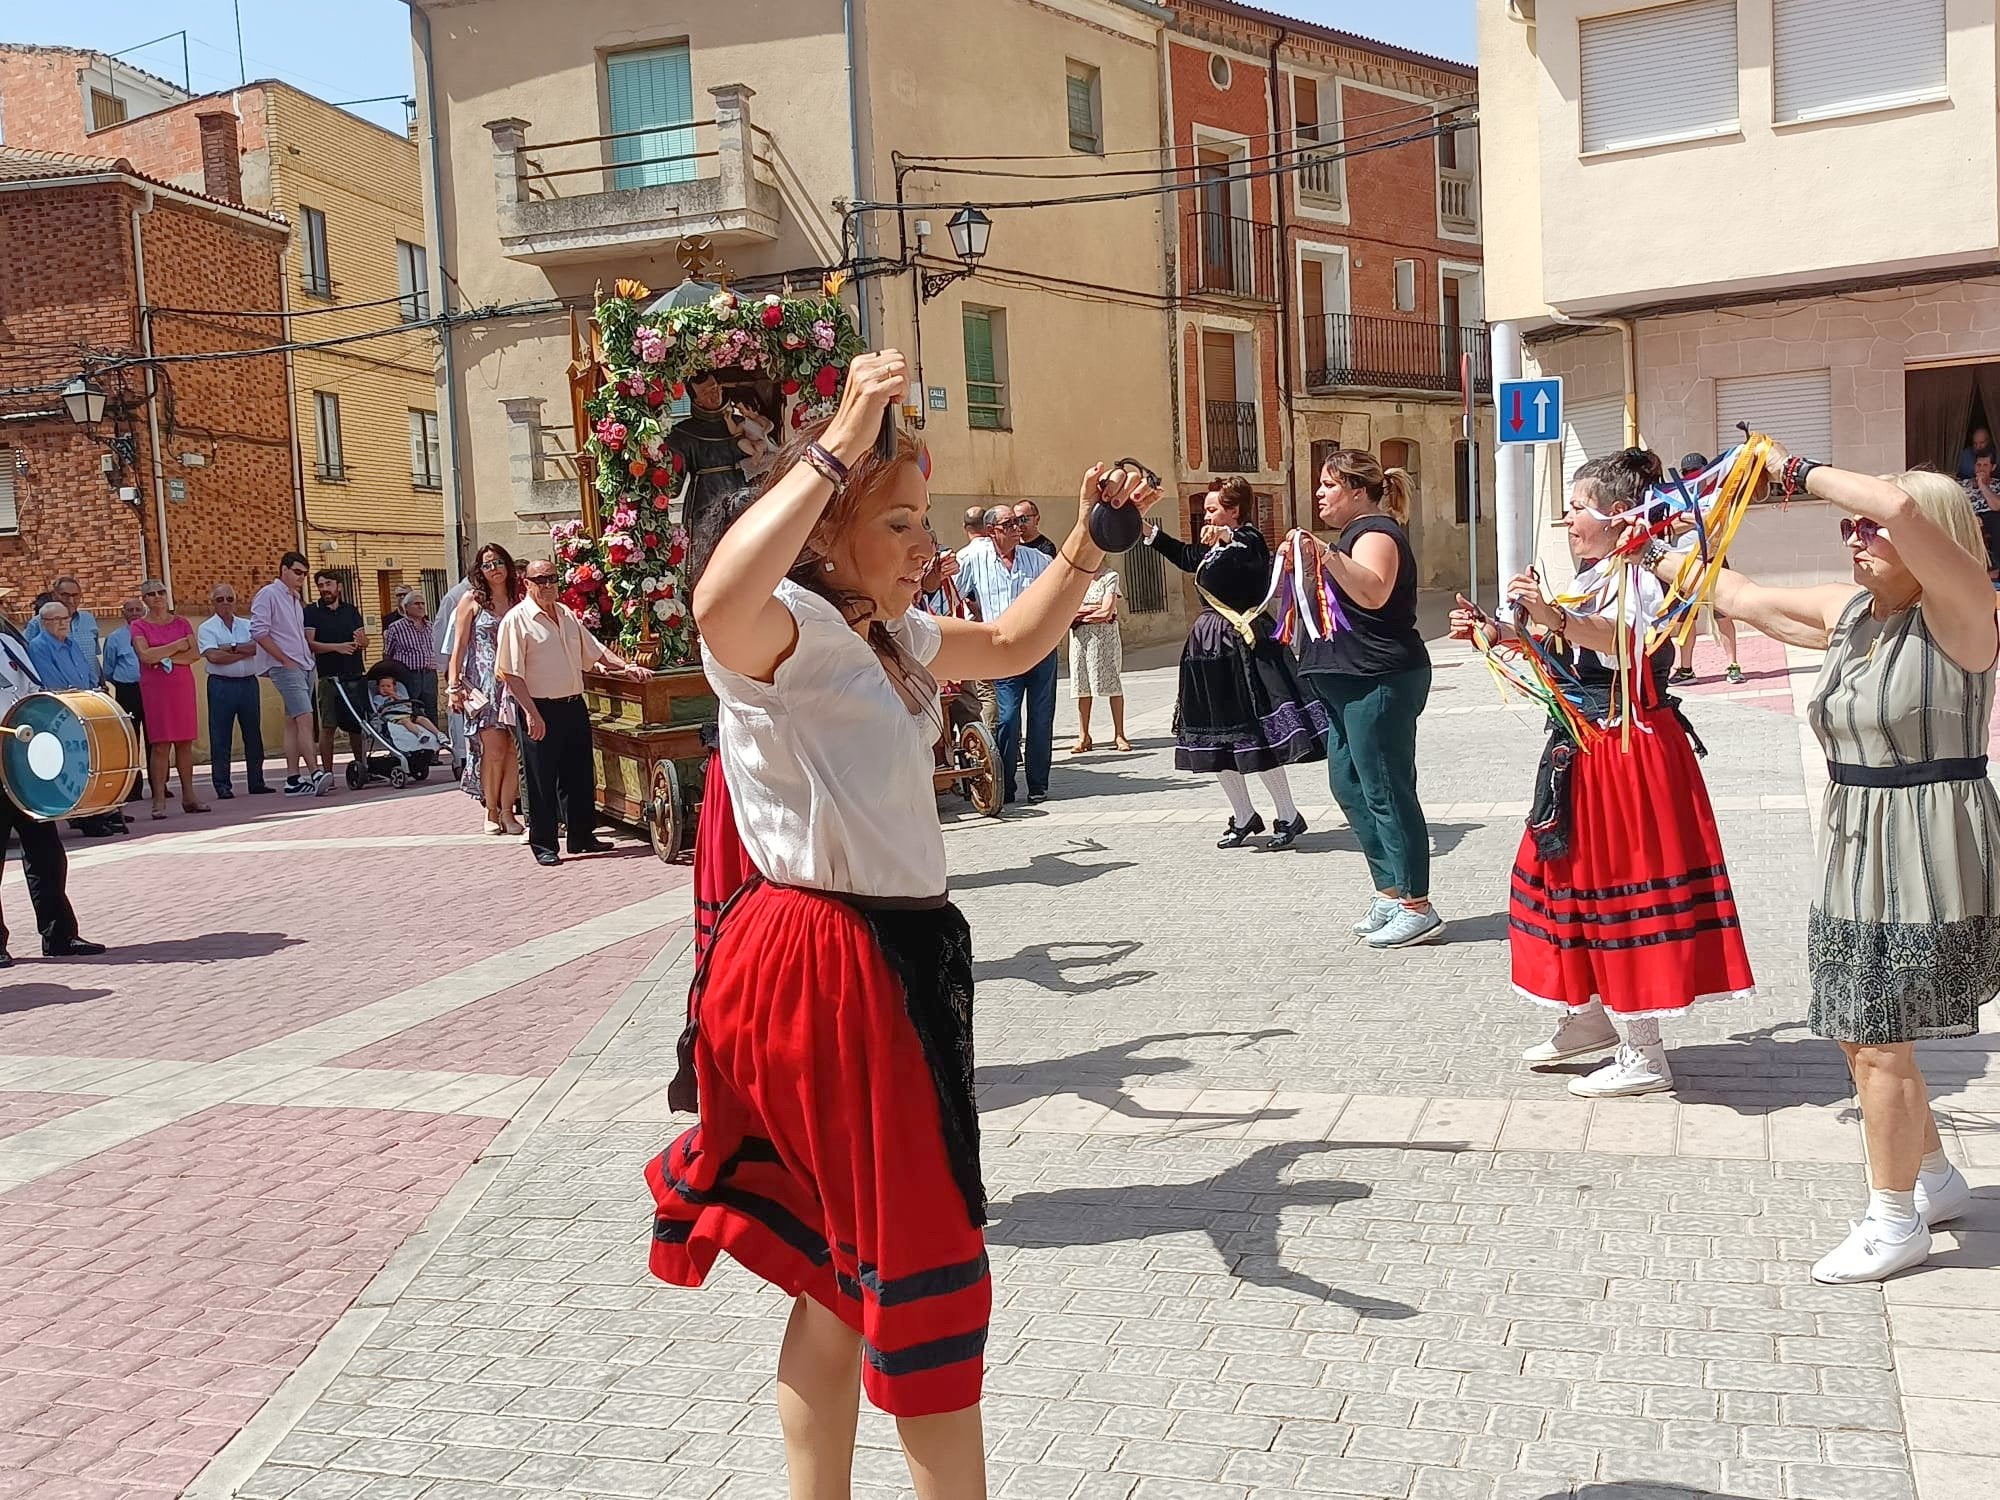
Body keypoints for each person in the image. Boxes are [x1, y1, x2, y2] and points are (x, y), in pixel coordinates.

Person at [647, 348, 1159, 1498]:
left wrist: (1089, 538)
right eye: (898, 524)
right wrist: (834, 441)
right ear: (823, 532)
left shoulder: (884, 633)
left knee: (833, 1284)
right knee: (920, 1278)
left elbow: (1023, 642)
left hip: (868, 955)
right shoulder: (779, 631)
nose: (923, 546)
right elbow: (716, 598)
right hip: (834, 964)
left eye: (925, 521)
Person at [1651, 445, 1998, 1283]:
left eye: (1867, 527)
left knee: (1880, 1042)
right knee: (1860, 1033)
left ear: (1926, 540)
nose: (1857, 538)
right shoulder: (1857, 613)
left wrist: (1793, 470)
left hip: (1928, 853)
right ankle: (1937, 1180)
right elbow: (1737, 595)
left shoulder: (1965, 610)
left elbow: (1907, 510)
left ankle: (1892, 1222)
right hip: (1857, 848)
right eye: (1848, 527)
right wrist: (1637, 544)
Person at [1451, 448, 1754, 1099]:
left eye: (1575, 508)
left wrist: (1552, 618)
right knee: (1556, 878)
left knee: (1617, 891)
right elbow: (1571, 654)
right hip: (1583, 750)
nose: (1566, 520)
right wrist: (1497, 634)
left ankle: (1645, 1053)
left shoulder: (1645, 580)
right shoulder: (1597, 574)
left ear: (1617, 515)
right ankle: (1589, 1015)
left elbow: (1617, 641)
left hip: (1627, 754)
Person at [1293, 450, 1441, 947]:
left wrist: (1324, 554)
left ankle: (1418, 905)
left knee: (1386, 790)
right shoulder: (1352, 536)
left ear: (1358, 490)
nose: (1319, 494)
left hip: (1380, 679)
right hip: (1346, 681)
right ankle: (1390, 889)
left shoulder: (1375, 533)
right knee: (1350, 787)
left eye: (1328, 485)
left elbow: (1374, 592)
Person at [1144, 477, 1327, 849]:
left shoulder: (1248, 540)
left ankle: (1288, 815)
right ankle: (1244, 816)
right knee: (1217, 738)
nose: (1207, 516)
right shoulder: (1215, 549)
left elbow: (1251, 555)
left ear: (1234, 511)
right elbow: (1187, 557)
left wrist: (1226, 536)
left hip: (1243, 646)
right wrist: (1148, 532)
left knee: (1254, 736)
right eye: (1207, 509)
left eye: (1213, 509)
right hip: (1209, 648)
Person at [493, 558, 648, 866]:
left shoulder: (565, 614)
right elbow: (510, 672)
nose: (548, 585)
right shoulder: (517, 619)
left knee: (578, 774)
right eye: (541, 580)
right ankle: (544, 844)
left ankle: (581, 836)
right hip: (540, 707)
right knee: (541, 780)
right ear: (527, 583)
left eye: (552, 579)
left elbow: (594, 650)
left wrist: (626, 666)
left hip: (572, 703)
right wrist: (531, 713)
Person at [0, 604, 106, 967]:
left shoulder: (10, 646)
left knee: (47, 854)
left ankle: (59, 935)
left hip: (18, 759)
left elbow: (33, 693)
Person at [956, 503, 1056, 803]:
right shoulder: (974, 558)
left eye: (1020, 521)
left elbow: (1060, 590)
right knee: (1008, 718)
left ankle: (1038, 784)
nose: (1017, 527)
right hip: (1003, 651)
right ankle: (1006, 783)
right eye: (1009, 524)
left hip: (1040, 648)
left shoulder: (1037, 559)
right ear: (991, 531)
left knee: (1041, 717)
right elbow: (949, 592)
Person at [448, 545, 526, 836]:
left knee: (512, 751)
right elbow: (458, 646)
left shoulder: (519, 601)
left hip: (515, 683)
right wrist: (454, 686)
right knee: (493, 750)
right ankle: (490, 810)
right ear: (479, 571)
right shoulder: (471, 600)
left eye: (498, 562)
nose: (494, 568)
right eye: (487, 564)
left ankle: (508, 811)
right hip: (483, 685)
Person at [27, 602, 123, 838]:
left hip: (86, 708)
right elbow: (52, 683)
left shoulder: (72, 644)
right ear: (43, 623)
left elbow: (88, 674)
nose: (63, 623)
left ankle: (98, 813)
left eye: (66, 618)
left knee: (91, 763)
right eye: (56, 620)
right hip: (63, 712)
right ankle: (86, 819)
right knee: (74, 768)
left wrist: (95, 692)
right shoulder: (38, 647)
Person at [130, 579, 206, 819]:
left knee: (185, 742)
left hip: (181, 686)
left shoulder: (182, 622)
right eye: (151, 594)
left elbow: (194, 653)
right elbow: (145, 656)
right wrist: (175, 647)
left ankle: (189, 796)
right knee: (161, 744)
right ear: (145, 599)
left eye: (161, 592)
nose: (157, 597)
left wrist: (164, 657)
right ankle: (159, 799)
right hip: (156, 689)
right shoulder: (139, 626)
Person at [251, 552, 325, 796]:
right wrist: (283, 659)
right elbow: (259, 631)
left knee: (293, 720)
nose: (301, 578)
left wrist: (306, 660)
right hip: (286, 666)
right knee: (305, 716)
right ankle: (315, 771)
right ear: (283, 569)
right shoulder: (269, 594)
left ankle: (293, 778)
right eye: (297, 572)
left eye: (304, 574)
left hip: (303, 664)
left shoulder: (294, 599)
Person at [1668, 454, 1743, 686]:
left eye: (1697, 471)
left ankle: (1733, 665)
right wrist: (1696, 519)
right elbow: (1672, 525)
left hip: (1713, 560)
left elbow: (1716, 521)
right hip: (1684, 564)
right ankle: (1686, 668)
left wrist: (1687, 518)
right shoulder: (1675, 495)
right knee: (1685, 619)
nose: (1693, 476)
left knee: (1723, 614)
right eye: (1688, 472)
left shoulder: (1718, 493)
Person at [198, 582, 270, 799]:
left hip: (248, 683)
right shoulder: (207, 628)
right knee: (220, 736)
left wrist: (231, 648)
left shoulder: (247, 624)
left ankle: (256, 781)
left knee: (253, 734)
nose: (226, 603)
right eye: (220, 600)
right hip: (221, 685)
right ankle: (222, 785)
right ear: (213, 603)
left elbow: (258, 647)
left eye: (230, 598)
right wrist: (242, 650)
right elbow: (213, 657)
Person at [665, 370, 756, 541]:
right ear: (696, 400)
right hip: (705, 500)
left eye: (714, 388)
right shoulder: (683, 433)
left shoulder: (741, 424)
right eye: (706, 393)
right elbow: (673, 484)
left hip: (741, 492)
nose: (714, 395)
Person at [304, 570, 368, 784]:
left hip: (354, 673)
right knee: (328, 725)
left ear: (339, 586)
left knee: (356, 725)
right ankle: (328, 773)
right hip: (328, 677)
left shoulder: (350, 610)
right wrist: (337, 648)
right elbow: (310, 643)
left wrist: (361, 642)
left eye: (328, 584)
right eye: (320, 585)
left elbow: (364, 640)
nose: (324, 589)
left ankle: (361, 767)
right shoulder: (312, 612)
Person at [1069, 564, 1129, 753]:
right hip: (1080, 639)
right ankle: (1084, 736)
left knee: (1112, 683)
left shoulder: (1110, 576)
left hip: (1104, 638)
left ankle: (1119, 734)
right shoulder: (1077, 577)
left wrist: (1080, 614)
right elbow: (1067, 609)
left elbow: (1107, 611)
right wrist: (1090, 611)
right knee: (1082, 686)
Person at [101, 597, 146, 803]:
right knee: (131, 738)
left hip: (152, 689)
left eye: (138, 609)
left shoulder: (150, 633)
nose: (135, 613)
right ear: (124, 613)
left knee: (156, 738)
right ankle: (134, 788)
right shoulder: (115, 638)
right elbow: (108, 669)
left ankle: (158, 784)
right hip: (127, 691)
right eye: (131, 610)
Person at [434, 572, 472, 774]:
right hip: (459, 666)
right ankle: (461, 758)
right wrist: (446, 669)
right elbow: (442, 633)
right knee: (458, 715)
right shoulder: (455, 596)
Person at [381, 593, 439, 722]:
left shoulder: (431, 626)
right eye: (417, 604)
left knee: (431, 710)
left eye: (423, 603)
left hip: (429, 674)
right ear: (406, 608)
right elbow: (387, 654)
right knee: (409, 709)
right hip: (408, 676)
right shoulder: (396, 627)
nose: (421, 607)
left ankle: (436, 738)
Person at [25, 577, 100, 670]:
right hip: (59, 683)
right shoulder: (38, 623)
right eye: (65, 595)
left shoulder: (88, 620)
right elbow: (26, 657)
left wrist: (101, 680)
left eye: (75, 595)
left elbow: (93, 657)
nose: (71, 600)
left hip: (92, 683)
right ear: (54, 595)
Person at [366, 661, 444, 740]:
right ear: (378, 688)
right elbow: (379, 712)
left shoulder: (400, 695)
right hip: (394, 717)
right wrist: (389, 703)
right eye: (382, 686)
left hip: (407, 714)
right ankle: (419, 734)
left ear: (394, 687)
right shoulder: (378, 698)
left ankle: (438, 734)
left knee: (422, 719)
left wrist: (396, 697)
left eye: (388, 686)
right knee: (406, 721)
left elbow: (409, 704)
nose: (385, 688)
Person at [1959, 453, 2000, 583]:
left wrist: (1983, 486)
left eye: (1985, 465)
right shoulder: (1963, 485)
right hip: (1967, 518)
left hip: (1990, 518)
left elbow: (1996, 506)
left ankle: (1996, 568)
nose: (1981, 468)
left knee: (1995, 519)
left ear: (1993, 467)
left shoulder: (1997, 485)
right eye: (1978, 465)